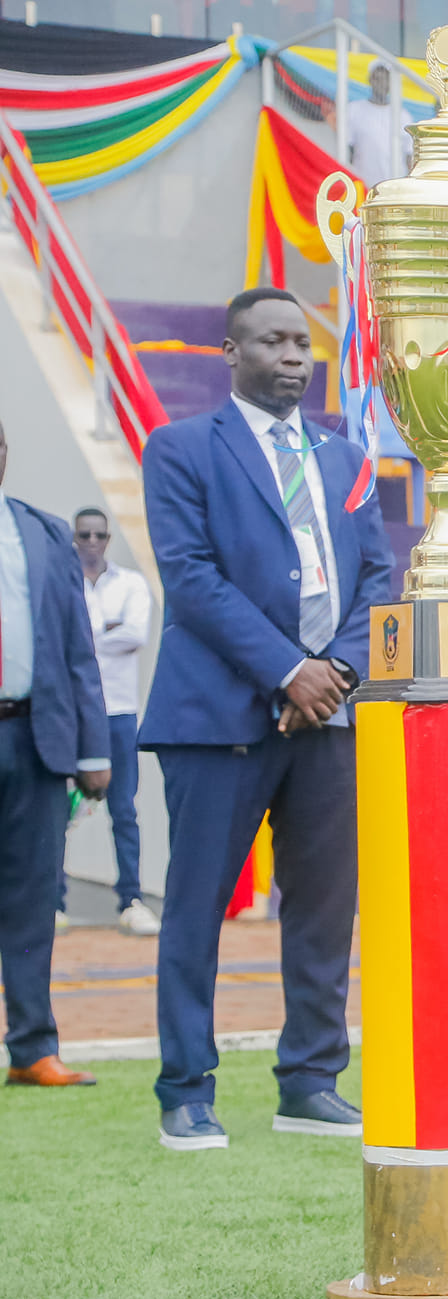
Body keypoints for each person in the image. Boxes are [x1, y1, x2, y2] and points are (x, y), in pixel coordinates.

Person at [139, 287, 395, 1149]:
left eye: (301, 343)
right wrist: (290, 671)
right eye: (272, 341)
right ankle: (185, 1091)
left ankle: (310, 1081)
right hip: (217, 717)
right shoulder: (180, 449)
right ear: (231, 352)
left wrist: (338, 673)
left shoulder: (345, 457)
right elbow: (191, 577)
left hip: (329, 717)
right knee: (195, 907)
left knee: (322, 909)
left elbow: (377, 577)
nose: (292, 356)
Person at [0, 421, 109, 1088]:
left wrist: (93, 748)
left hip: (32, 737)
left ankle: (32, 1048)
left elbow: (78, 651)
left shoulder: (40, 533)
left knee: (33, 898)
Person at [70, 507, 154, 935]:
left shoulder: (132, 584)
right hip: (73, 713)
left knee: (124, 810)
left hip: (119, 712)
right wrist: (107, 631)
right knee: (59, 809)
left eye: (98, 534)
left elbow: (136, 634)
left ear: (108, 539)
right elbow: (60, 637)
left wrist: (84, 637)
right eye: (84, 534)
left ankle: (131, 900)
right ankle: (54, 902)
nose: (91, 541)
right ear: (74, 538)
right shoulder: (63, 582)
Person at [345, 61, 403, 189]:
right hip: (363, 187)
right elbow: (348, 151)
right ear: (370, 80)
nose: (381, 84)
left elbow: (409, 156)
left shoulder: (402, 116)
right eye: (377, 78)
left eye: (385, 79)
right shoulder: (353, 110)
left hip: (394, 189)